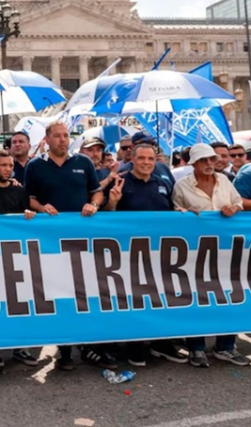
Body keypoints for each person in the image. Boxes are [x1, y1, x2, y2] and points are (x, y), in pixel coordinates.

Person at [24, 121, 109, 371]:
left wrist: (93, 204)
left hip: (83, 238)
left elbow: (96, 193)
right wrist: (41, 208)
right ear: (47, 139)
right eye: (57, 136)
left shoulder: (83, 163)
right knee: (60, 294)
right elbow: (29, 199)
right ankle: (65, 349)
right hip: (51, 241)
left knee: (86, 292)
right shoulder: (35, 166)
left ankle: (89, 345)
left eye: (65, 136)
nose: (62, 140)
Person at [102, 143, 189, 367]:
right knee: (134, 300)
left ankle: (162, 343)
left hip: (159, 253)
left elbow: (169, 209)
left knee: (161, 298)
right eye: (142, 159)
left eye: (151, 159)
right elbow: (104, 218)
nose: (147, 163)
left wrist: (178, 212)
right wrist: (112, 202)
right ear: (132, 159)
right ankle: (135, 347)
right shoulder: (119, 182)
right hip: (128, 254)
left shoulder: (162, 183)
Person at [171, 143, 247, 368]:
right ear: (193, 163)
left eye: (211, 160)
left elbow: (238, 203)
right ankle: (196, 348)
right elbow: (174, 212)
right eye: (203, 160)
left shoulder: (225, 181)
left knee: (229, 295)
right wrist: (182, 214)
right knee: (197, 298)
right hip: (195, 253)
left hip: (227, 251)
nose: (209, 164)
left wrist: (234, 209)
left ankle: (226, 346)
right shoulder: (182, 186)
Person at [0, 150, 37, 369]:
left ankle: (19, 346)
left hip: (15, 254)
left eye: (11, 165)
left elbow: (26, 212)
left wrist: (29, 214)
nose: (8, 169)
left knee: (17, 301)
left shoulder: (19, 190)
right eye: (3, 165)